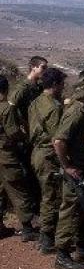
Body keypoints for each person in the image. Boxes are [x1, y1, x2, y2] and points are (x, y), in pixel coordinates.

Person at [52, 77, 84, 269]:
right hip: (76, 170)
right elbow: (58, 141)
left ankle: (81, 247)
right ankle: (62, 255)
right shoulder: (76, 112)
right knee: (70, 210)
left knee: (82, 208)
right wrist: (67, 166)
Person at [1, 56, 47, 224]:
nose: (44, 71)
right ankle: (27, 219)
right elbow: (10, 110)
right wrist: (20, 129)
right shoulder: (22, 89)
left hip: (31, 137)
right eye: (42, 68)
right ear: (32, 68)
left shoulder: (38, 87)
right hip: (20, 138)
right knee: (19, 179)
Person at [29, 67, 66, 254]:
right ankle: (46, 238)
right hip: (48, 155)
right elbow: (56, 138)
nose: (63, 87)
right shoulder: (54, 107)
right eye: (62, 84)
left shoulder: (35, 102)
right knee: (51, 196)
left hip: (36, 152)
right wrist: (66, 162)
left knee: (46, 194)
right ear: (55, 84)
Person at [0, 74, 37, 241]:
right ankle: (27, 227)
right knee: (18, 189)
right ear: (6, 89)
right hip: (7, 154)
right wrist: (24, 135)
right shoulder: (6, 108)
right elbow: (13, 132)